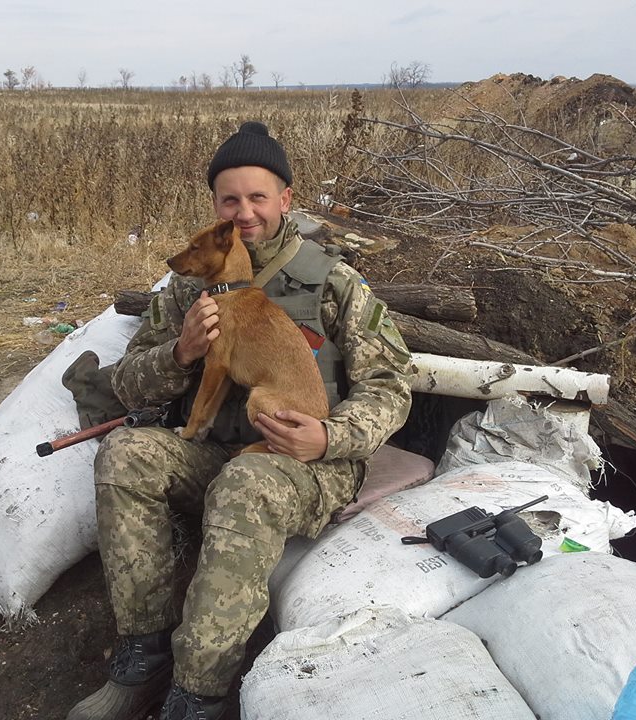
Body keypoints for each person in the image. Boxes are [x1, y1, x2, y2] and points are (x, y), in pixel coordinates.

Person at [67, 121, 413, 720]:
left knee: (246, 484)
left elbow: (391, 386)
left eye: (258, 196)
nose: (246, 211)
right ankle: (142, 657)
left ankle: (197, 691)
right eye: (231, 199)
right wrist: (180, 353)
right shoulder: (188, 287)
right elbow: (124, 382)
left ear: (285, 198)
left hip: (308, 465)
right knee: (125, 457)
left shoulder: (332, 281)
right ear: (216, 208)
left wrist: (331, 436)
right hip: (214, 448)